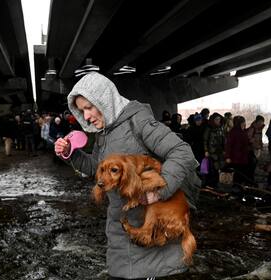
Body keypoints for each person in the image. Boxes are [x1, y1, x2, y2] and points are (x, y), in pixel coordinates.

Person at [54, 72, 200, 279]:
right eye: (81, 110)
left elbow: (182, 152)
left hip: (153, 235)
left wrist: (159, 192)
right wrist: (70, 154)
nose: (85, 116)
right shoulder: (103, 133)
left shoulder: (138, 121)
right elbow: (97, 170)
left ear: (104, 100)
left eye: (89, 107)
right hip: (120, 234)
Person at [225, 116, 249, 185]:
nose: (244, 124)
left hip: (242, 157)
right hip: (236, 158)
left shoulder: (243, 131)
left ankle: (239, 186)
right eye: (243, 123)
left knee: (241, 174)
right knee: (237, 174)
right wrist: (228, 156)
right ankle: (236, 187)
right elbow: (228, 145)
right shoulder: (233, 132)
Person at [203, 113, 225, 189]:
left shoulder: (221, 128)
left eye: (219, 119)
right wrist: (206, 150)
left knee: (221, 167)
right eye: (216, 119)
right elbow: (205, 140)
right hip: (211, 152)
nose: (218, 121)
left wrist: (224, 149)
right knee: (213, 168)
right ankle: (211, 184)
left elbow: (223, 140)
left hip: (220, 151)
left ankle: (218, 183)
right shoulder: (209, 128)